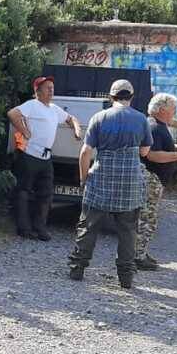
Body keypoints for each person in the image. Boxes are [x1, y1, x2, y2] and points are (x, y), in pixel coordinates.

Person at [67, 79, 151, 289]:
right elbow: (144, 152)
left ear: (111, 96)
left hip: (101, 179)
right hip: (130, 183)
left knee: (88, 226)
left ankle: (78, 268)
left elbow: (86, 152)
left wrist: (83, 179)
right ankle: (125, 278)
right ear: (131, 97)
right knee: (128, 231)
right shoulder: (141, 119)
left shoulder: (99, 117)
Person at [6, 76, 82, 240]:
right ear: (37, 91)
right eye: (47, 88)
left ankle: (40, 227)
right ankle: (24, 228)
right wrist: (24, 131)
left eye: (52, 87)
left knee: (46, 194)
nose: (51, 90)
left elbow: (71, 118)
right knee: (23, 192)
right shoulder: (32, 105)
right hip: (30, 155)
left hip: (46, 157)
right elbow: (12, 114)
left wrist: (76, 130)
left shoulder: (54, 108)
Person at [136, 93, 177, 270]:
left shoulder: (156, 125)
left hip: (154, 179)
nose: (174, 113)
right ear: (161, 110)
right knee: (147, 218)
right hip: (150, 178)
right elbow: (152, 154)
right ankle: (137, 256)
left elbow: (158, 146)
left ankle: (140, 252)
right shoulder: (154, 126)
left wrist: (175, 148)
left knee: (148, 218)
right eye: (172, 109)